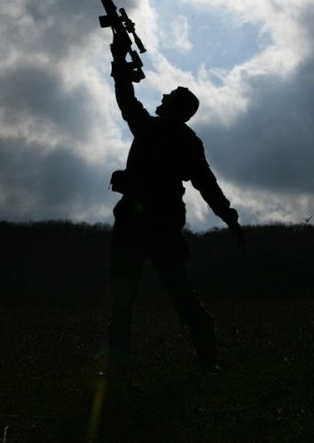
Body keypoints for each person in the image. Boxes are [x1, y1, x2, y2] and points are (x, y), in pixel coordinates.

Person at [106, 37, 247, 378]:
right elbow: (206, 184)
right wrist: (229, 217)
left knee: (124, 301)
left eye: (168, 96)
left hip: (136, 225)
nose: (163, 97)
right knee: (182, 296)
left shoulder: (151, 129)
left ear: (175, 108)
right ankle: (207, 362)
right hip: (161, 226)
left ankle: (117, 369)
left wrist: (119, 62)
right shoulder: (188, 140)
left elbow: (126, 99)